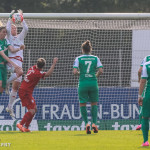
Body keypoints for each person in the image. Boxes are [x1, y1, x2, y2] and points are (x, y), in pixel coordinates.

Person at [17, 57, 58, 132]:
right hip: (25, 92)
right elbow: (48, 74)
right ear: (42, 67)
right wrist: (54, 64)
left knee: (35, 109)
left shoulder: (32, 68)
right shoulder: (37, 73)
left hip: (25, 91)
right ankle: (20, 124)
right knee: (32, 111)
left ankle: (26, 127)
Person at [73, 40, 103, 134]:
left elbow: (74, 72)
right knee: (94, 103)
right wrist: (95, 76)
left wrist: (80, 73)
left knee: (82, 104)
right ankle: (94, 123)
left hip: (83, 83)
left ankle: (86, 123)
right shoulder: (95, 58)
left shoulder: (78, 58)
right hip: (93, 83)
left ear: (82, 50)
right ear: (90, 49)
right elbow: (101, 70)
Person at [5, 9, 28, 118]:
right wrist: (10, 18)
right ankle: (6, 83)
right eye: (12, 27)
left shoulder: (20, 37)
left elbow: (26, 28)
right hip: (11, 62)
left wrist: (22, 18)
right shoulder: (8, 37)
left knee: (16, 86)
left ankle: (9, 107)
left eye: (15, 27)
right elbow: (7, 28)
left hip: (19, 61)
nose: (14, 28)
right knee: (20, 73)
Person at [0, 26, 24, 95]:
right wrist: (14, 64)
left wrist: (19, 48)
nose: (5, 34)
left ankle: (7, 83)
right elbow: (3, 55)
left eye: (6, 32)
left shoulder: (6, 41)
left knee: (20, 72)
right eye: (3, 32)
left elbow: (12, 50)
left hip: (5, 65)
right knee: (0, 84)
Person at [136, 55, 150, 130]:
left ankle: (141, 123)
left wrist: (139, 79)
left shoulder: (147, 58)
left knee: (144, 103)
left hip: (148, 86)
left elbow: (139, 71)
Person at [138, 60, 150, 146]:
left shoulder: (147, 65)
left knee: (145, 117)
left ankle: (145, 141)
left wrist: (140, 96)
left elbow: (143, 81)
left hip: (148, 94)